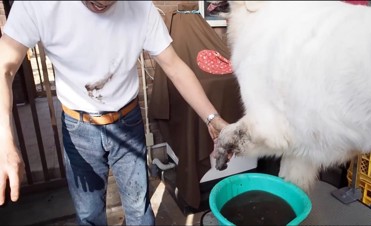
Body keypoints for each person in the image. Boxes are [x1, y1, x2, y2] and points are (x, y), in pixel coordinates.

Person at [0, 1, 228, 225]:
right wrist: (4, 140)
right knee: (89, 214)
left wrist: (212, 118)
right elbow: (4, 68)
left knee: (139, 210)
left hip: (127, 120)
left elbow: (175, 67)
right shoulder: (38, 4)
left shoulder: (140, 7)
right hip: (78, 126)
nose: (102, 6)